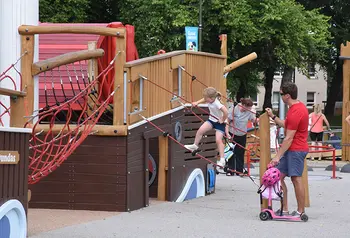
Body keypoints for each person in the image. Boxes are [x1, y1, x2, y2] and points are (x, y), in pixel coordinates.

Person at [265, 82, 309, 218]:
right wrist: (273, 116)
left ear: (288, 95)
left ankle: (300, 211)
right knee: (278, 177)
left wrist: (277, 156)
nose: (281, 96)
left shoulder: (297, 111)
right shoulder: (294, 108)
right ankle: (284, 209)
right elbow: (286, 124)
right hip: (291, 149)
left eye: (282, 94)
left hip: (296, 149)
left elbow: (289, 138)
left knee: (296, 179)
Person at [184, 87, 229, 170]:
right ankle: (195, 145)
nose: (205, 100)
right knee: (200, 130)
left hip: (220, 123)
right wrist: (197, 102)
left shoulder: (217, 103)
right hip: (211, 121)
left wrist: (222, 119)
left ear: (212, 98)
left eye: (206, 99)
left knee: (218, 140)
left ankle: (222, 159)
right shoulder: (210, 99)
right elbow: (204, 99)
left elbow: (226, 112)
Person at [226, 98, 256, 176]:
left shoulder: (249, 111)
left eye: (250, 108)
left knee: (240, 153)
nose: (249, 109)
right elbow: (227, 122)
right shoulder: (234, 109)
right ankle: (230, 169)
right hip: (232, 133)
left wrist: (255, 115)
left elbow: (253, 120)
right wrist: (227, 134)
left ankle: (239, 170)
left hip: (242, 134)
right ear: (243, 105)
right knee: (230, 152)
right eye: (248, 108)